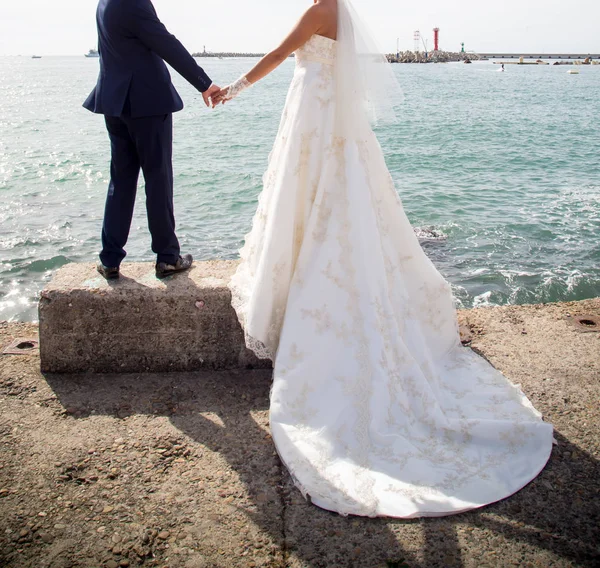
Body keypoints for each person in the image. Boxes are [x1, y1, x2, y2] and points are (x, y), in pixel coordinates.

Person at [215, 0, 554, 518]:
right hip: (325, 114)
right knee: (334, 203)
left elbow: (279, 55)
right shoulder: (341, 13)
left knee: (308, 196)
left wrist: (230, 90)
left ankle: (312, 299)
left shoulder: (318, 9)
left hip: (312, 110)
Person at [83, 0, 221, 280]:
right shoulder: (133, 3)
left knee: (120, 180)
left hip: (115, 102)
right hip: (147, 104)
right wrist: (204, 83)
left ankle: (109, 259)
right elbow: (165, 43)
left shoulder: (105, 3)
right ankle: (167, 257)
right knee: (158, 179)